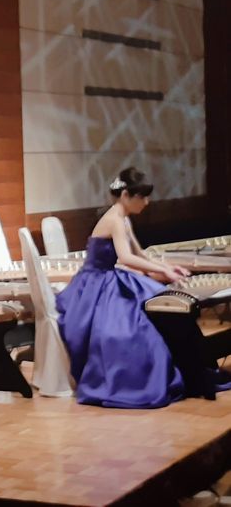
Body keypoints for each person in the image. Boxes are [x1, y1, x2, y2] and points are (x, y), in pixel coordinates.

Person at [56, 167, 192, 409]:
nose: (146, 202)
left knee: (157, 301)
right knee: (131, 329)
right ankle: (133, 382)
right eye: (142, 197)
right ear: (126, 195)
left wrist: (168, 267)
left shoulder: (123, 219)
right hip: (94, 283)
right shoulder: (114, 220)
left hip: (108, 277)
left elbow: (139, 253)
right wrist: (165, 273)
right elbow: (126, 258)